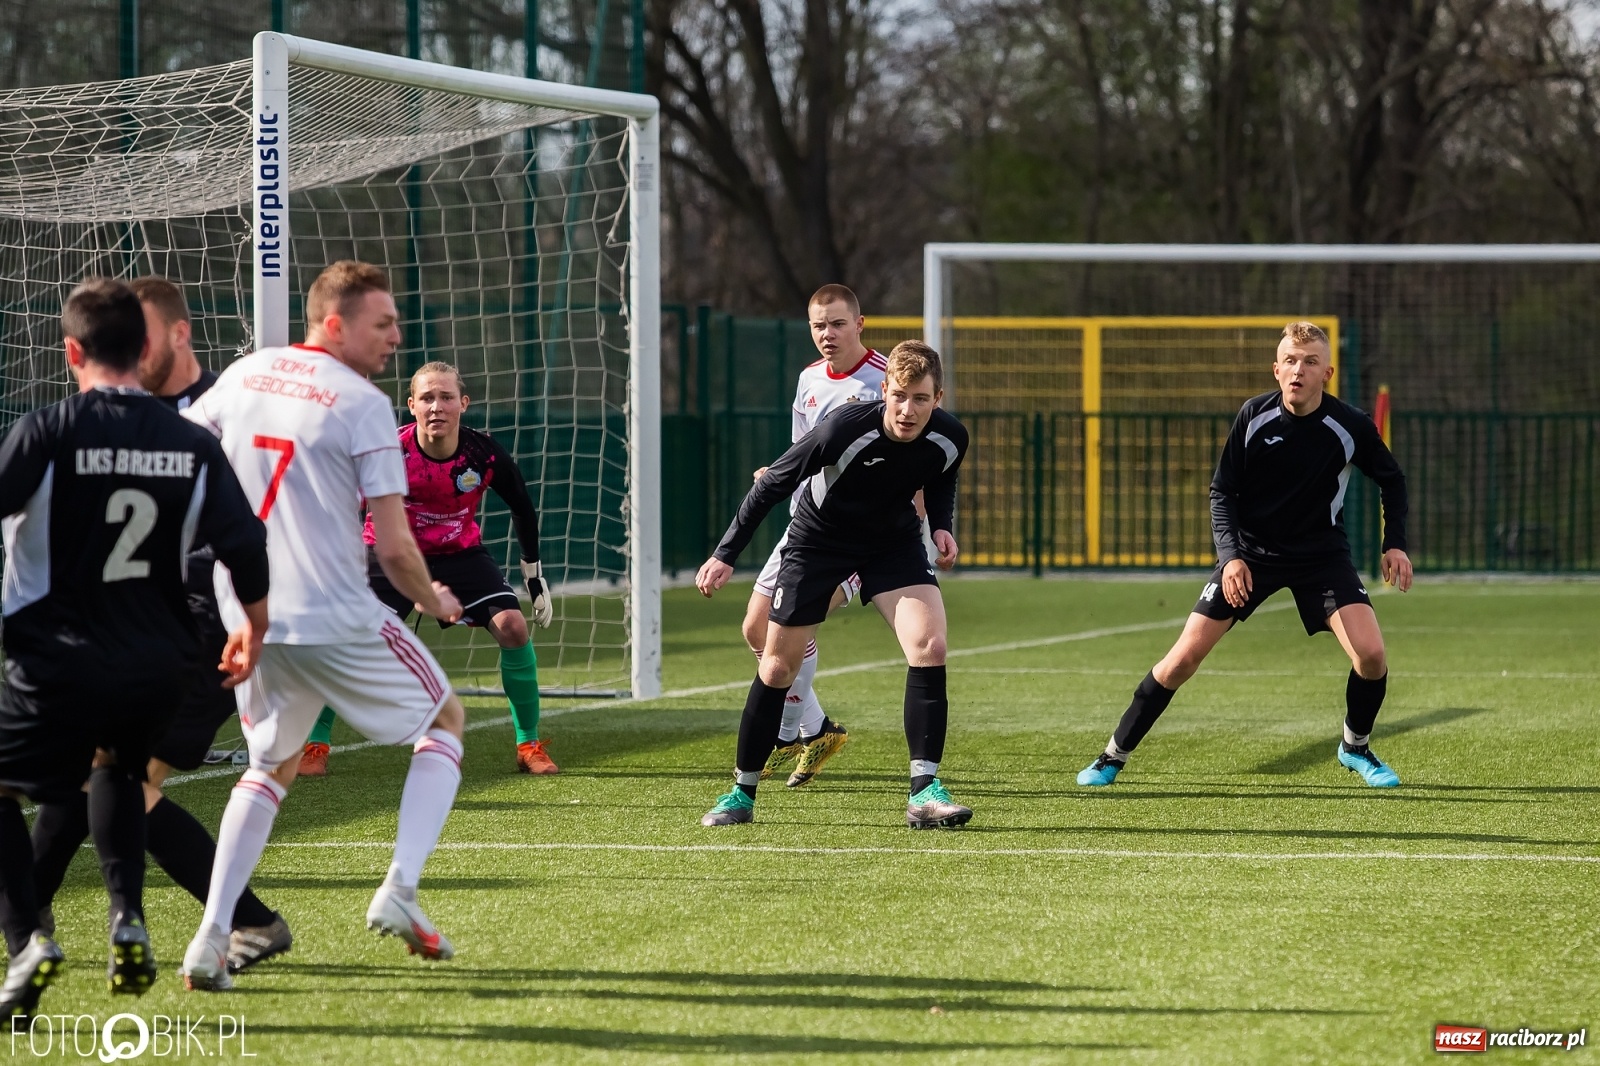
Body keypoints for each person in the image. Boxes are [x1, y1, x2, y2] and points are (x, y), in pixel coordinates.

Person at [178, 261, 470, 991]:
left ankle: (211, 939)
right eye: (383, 323)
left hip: (254, 618)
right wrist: (433, 601)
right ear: (334, 323)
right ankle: (400, 888)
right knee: (446, 722)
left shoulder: (244, 375)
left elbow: (179, 457)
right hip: (336, 617)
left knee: (267, 770)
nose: (396, 338)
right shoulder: (363, 403)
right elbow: (398, 549)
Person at [0, 279, 268, 1017]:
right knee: (116, 771)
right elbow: (246, 543)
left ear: (71, 352)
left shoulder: (50, 429)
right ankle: (128, 919)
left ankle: (27, 938)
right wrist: (255, 626)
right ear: (146, 349)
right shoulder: (191, 442)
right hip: (158, 660)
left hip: (55, 656)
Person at [1076, 320, 1412, 789]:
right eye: (1290, 361)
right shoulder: (1254, 416)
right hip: (1252, 556)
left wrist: (1393, 542)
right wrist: (1231, 556)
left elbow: (1392, 480)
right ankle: (1112, 756)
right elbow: (1222, 491)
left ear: (1328, 373)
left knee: (1371, 655)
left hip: (1321, 556)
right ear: (1276, 370)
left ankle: (1355, 747)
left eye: (1310, 362)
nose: (1299, 370)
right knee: (1182, 660)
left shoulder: (1350, 424)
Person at [695, 340, 972, 829]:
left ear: (939, 398)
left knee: (930, 645)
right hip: (819, 544)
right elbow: (771, 485)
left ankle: (924, 792)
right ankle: (741, 793)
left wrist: (942, 525)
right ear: (884, 389)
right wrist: (725, 554)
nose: (908, 410)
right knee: (777, 665)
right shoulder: (842, 429)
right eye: (900, 395)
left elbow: (941, 476)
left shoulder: (951, 438)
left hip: (893, 545)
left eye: (922, 399)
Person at [298, 361, 556, 776]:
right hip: (389, 553)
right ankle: (315, 745)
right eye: (428, 398)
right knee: (347, 639)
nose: (438, 406)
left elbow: (522, 506)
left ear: (463, 404)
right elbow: (347, 505)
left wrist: (533, 572)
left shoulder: (484, 453)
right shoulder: (386, 451)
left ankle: (529, 744)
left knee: (513, 627)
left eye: (447, 397)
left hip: (460, 554)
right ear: (412, 405)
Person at [744, 284, 885, 788]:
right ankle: (817, 730)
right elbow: (803, 451)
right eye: (819, 325)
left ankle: (786, 737)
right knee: (755, 630)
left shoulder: (885, 381)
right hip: (809, 523)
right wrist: (775, 473)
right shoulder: (807, 379)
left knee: (800, 623)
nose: (828, 334)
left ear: (860, 324)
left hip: (862, 533)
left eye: (838, 324)